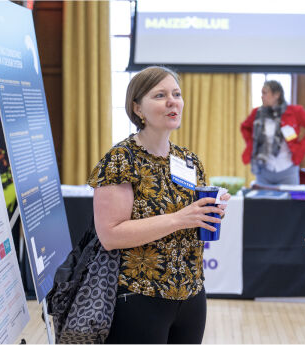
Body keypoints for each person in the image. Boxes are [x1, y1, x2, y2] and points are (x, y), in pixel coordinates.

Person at [87, 66, 230, 344]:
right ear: (137, 108)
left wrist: (208, 213)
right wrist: (182, 218)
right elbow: (110, 235)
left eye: (176, 94)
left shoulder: (190, 160)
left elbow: (193, 219)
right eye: (160, 95)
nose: (172, 101)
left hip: (191, 295)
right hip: (140, 297)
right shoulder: (120, 159)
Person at [241, 80, 305, 185]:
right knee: (262, 201)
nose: (262, 96)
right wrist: (252, 144)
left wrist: (302, 147)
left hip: (287, 168)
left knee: (288, 201)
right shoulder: (257, 113)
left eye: (265, 93)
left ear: (276, 95)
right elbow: (245, 127)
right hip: (264, 169)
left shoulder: (295, 111)